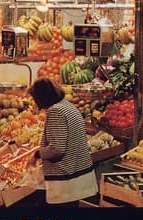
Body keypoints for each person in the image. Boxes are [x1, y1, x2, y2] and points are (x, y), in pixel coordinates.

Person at [30, 77, 98, 205]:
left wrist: (37, 154)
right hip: (78, 174)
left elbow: (57, 149)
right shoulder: (67, 106)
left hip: (67, 181)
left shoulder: (56, 111)